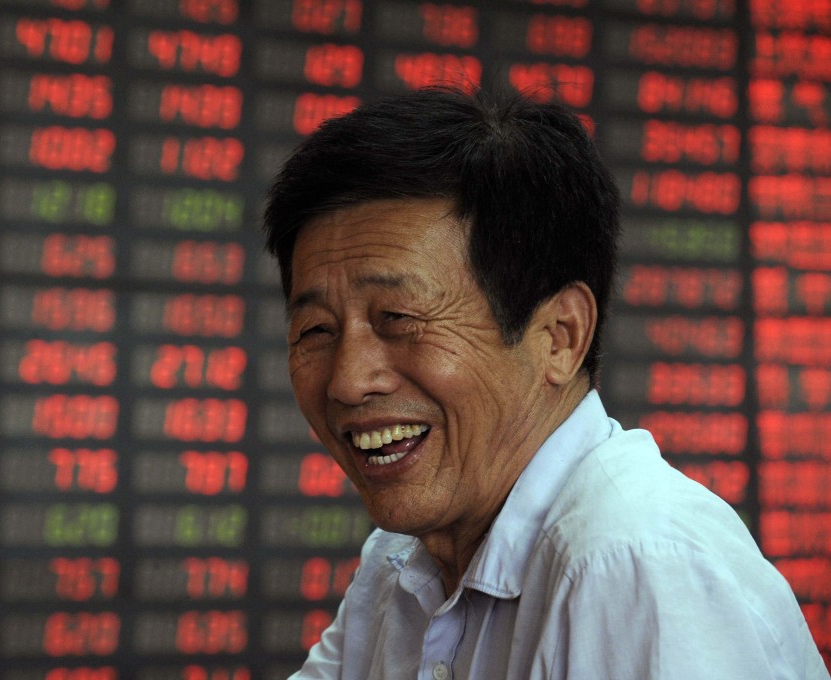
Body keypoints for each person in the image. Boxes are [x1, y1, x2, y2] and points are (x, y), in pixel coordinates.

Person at [263, 86, 829, 679]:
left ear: (559, 336)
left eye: (399, 320)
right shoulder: (400, 565)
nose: (349, 382)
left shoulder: (634, 564)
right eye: (316, 330)